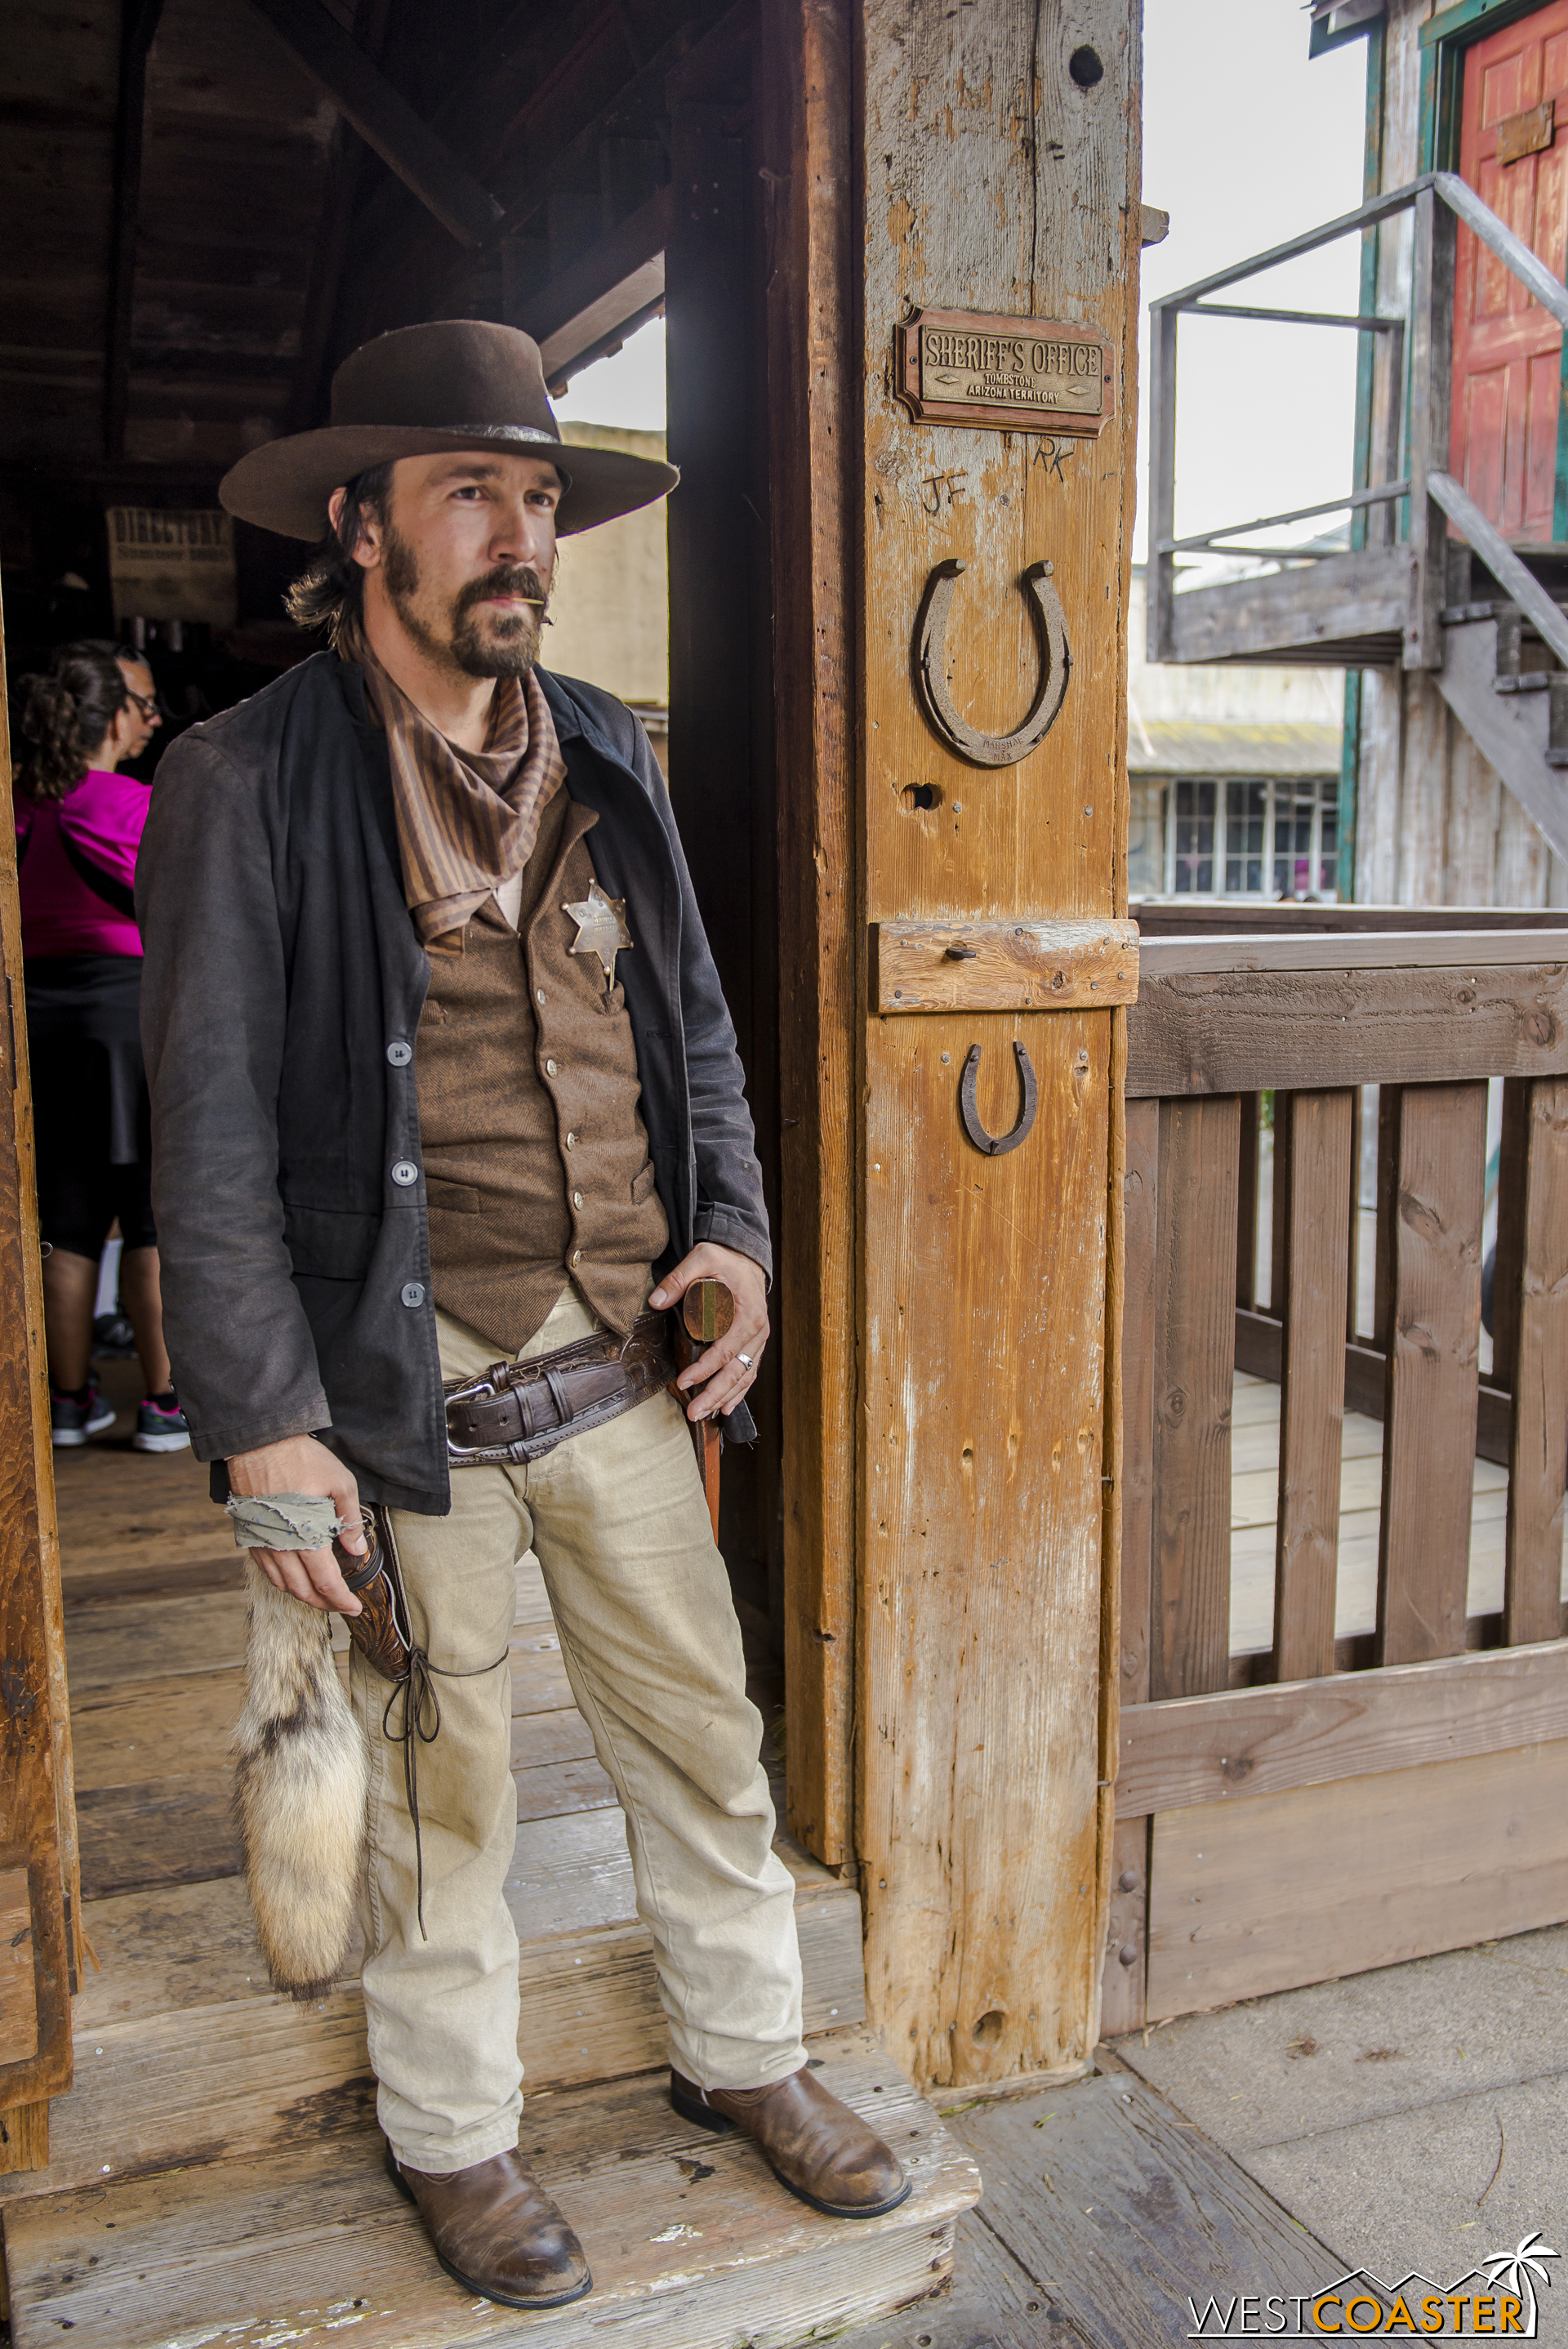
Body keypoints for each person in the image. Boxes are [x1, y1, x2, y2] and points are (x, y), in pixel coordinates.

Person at [136, 320, 905, 2314]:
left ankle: (745, 2047)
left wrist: (734, 1232)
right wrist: (264, 1423)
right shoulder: (242, 775)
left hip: (624, 1355)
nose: (518, 538)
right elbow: (205, 1123)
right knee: (434, 1779)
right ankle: (453, 2127)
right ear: (357, 522)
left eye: (542, 499)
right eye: (470, 492)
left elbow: (699, 1035)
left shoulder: (612, 744)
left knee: (700, 1735)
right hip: (397, 1378)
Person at [15, 640, 190, 1454]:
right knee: (151, 1218)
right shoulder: (125, 803)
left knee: (71, 1218)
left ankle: (69, 1401)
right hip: (131, 1017)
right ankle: (161, 1403)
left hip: (41, 1025)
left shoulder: (19, 809)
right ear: (114, 718)